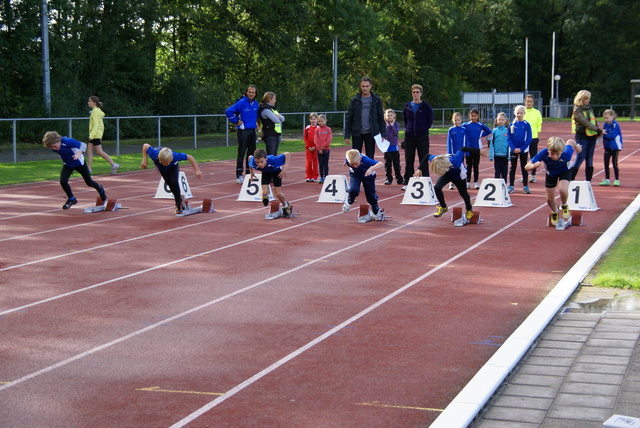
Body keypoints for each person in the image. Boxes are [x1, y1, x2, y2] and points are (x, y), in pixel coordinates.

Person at [414, 146, 488, 220]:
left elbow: (463, 149)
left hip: (458, 175)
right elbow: (427, 155)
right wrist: (419, 169)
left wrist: (478, 151)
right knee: (437, 187)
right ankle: (443, 207)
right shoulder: (436, 159)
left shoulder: (456, 161)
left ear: (444, 166)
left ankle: (469, 209)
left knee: (463, 193)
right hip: (448, 174)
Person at [42, 131, 107, 210]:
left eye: (54, 146)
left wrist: (79, 153)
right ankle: (71, 199)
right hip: (68, 164)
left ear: (58, 141)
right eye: (51, 147)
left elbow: (83, 145)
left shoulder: (67, 141)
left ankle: (100, 189)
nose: (53, 149)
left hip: (79, 163)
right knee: (63, 181)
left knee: (89, 182)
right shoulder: (55, 147)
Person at [525, 136, 582, 226]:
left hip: (564, 171)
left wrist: (578, 148)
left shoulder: (566, 153)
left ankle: (564, 205)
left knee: (562, 190)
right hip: (551, 173)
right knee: (549, 199)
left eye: (557, 154)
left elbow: (570, 141)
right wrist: (533, 166)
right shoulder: (543, 153)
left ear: (562, 151)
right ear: (548, 150)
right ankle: (555, 211)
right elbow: (526, 167)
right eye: (552, 154)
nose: (555, 156)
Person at [140, 143, 202, 214]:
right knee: (170, 186)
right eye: (163, 163)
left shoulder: (175, 156)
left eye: (167, 163)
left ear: (171, 159)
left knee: (174, 182)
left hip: (173, 167)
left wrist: (197, 170)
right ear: (159, 160)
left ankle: (178, 205)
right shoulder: (154, 154)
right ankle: (180, 198)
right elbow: (145, 146)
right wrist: (145, 160)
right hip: (163, 170)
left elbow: (190, 157)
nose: (165, 164)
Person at [344, 76, 386, 159]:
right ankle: (356, 172)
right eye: (363, 86)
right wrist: (347, 135)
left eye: (367, 86)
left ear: (370, 86)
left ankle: (370, 172)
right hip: (357, 132)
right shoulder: (354, 100)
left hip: (371, 132)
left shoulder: (376, 100)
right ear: (360, 86)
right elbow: (349, 118)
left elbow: (380, 117)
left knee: (370, 156)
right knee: (355, 156)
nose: (365, 88)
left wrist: (383, 133)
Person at [225, 85, 259, 183]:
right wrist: (237, 122)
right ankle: (239, 175)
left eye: (253, 92)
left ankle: (249, 173)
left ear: (255, 94)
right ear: (246, 92)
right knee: (242, 152)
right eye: (249, 92)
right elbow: (228, 111)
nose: (251, 94)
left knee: (252, 153)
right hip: (243, 131)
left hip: (252, 130)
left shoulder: (256, 103)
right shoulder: (241, 102)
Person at [402, 84, 433, 184]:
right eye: (414, 92)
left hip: (422, 136)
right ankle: (408, 181)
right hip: (409, 136)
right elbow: (405, 120)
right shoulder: (407, 106)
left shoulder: (426, 107)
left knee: (423, 159)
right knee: (409, 160)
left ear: (421, 93)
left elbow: (429, 121)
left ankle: (425, 180)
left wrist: (423, 129)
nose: (415, 94)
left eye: (417, 92)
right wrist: (409, 129)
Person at [342, 149, 385, 221]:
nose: (355, 166)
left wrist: (371, 169)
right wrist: (345, 163)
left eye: (356, 163)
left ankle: (376, 210)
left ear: (360, 159)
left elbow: (381, 164)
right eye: (352, 164)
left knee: (371, 197)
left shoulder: (365, 160)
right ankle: (349, 201)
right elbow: (347, 160)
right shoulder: (349, 159)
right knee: (353, 190)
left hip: (368, 175)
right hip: (355, 175)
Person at [248, 148, 292, 217]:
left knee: (277, 193)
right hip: (266, 172)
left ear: (266, 159)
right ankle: (265, 195)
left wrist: (284, 169)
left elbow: (287, 154)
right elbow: (249, 157)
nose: (259, 164)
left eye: (262, 162)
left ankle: (285, 205)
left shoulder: (274, 160)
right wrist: (251, 172)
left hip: (276, 171)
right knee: (264, 192)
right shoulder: (253, 161)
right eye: (257, 162)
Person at [570, 89, 602, 181]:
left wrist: (597, 132)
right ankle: (571, 177)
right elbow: (585, 122)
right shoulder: (577, 110)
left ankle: (588, 179)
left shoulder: (589, 108)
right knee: (580, 157)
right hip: (582, 136)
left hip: (591, 136)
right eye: (587, 99)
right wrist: (597, 130)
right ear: (582, 99)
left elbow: (593, 121)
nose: (589, 100)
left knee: (590, 157)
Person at [87, 96, 119, 174]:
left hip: (95, 135)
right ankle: (88, 168)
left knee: (99, 151)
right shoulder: (96, 111)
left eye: (89, 101)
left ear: (94, 103)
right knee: (89, 151)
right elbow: (101, 125)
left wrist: (92, 135)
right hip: (96, 134)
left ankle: (114, 164)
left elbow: (96, 125)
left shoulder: (95, 112)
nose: (88, 102)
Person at [462, 108, 491, 189]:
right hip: (468, 148)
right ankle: (467, 182)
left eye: (475, 116)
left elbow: (488, 131)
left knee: (476, 166)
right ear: (469, 116)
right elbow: (460, 129)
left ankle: (476, 182)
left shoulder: (480, 125)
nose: (473, 117)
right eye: (471, 116)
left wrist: (481, 134)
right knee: (468, 166)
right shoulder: (466, 125)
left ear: (478, 116)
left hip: (477, 149)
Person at [508, 105, 532, 194]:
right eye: (517, 113)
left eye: (521, 113)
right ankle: (511, 186)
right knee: (512, 167)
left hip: (523, 150)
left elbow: (529, 138)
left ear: (524, 113)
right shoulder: (511, 125)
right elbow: (508, 138)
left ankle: (525, 186)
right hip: (513, 150)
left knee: (524, 167)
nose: (519, 115)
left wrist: (521, 148)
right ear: (515, 113)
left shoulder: (526, 125)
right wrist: (513, 148)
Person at [600, 109, 623, 186]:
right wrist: (604, 135)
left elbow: (612, 135)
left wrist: (605, 135)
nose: (606, 120)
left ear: (612, 116)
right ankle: (607, 179)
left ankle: (617, 179)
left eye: (607, 118)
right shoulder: (605, 125)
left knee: (614, 163)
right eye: (605, 118)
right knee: (606, 163)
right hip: (607, 146)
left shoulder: (615, 125)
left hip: (615, 147)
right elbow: (604, 132)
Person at [524, 94, 543, 183]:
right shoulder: (522, 111)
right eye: (527, 101)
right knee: (523, 157)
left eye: (531, 101)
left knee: (534, 156)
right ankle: (524, 176)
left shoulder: (537, 112)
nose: (529, 103)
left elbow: (539, 124)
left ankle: (533, 175)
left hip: (533, 137)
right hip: (523, 138)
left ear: (533, 103)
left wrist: (537, 135)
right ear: (525, 101)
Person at [446, 112, 467, 190]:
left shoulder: (464, 130)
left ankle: (460, 181)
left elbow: (465, 141)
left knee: (460, 166)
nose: (457, 121)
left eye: (458, 120)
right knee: (451, 167)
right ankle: (451, 183)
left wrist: (465, 152)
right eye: (455, 120)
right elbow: (449, 142)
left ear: (461, 120)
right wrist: (450, 153)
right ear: (452, 120)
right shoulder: (451, 130)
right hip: (453, 152)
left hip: (460, 153)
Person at [383, 109, 402, 185]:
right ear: (385, 117)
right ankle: (389, 178)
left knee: (396, 163)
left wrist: (392, 125)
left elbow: (395, 132)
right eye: (388, 115)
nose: (389, 117)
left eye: (391, 115)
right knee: (387, 164)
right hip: (386, 147)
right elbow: (385, 134)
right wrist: (388, 126)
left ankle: (399, 178)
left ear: (394, 116)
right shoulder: (384, 125)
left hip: (394, 147)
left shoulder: (396, 124)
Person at [490, 112, 510, 181]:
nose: (500, 121)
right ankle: (497, 185)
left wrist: (509, 155)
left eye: (502, 120)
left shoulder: (507, 130)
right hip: (497, 154)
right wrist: (491, 155)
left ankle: (504, 185)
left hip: (505, 155)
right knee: (497, 171)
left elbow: (509, 143)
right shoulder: (494, 131)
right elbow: (491, 143)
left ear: (505, 121)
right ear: (497, 120)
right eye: (499, 120)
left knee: (504, 171)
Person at [315, 114, 332, 184]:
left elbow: (329, 139)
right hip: (319, 150)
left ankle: (326, 176)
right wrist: (319, 148)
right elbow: (316, 140)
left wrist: (324, 145)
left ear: (325, 121)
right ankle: (321, 177)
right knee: (320, 164)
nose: (321, 123)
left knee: (325, 163)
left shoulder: (328, 129)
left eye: (322, 121)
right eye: (319, 121)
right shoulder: (317, 130)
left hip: (326, 149)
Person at [303, 113, 319, 182]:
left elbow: (319, 138)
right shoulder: (307, 128)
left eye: (314, 119)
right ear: (309, 120)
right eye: (311, 119)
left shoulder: (318, 128)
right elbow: (305, 137)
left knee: (315, 162)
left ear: (317, 120)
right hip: (308, 148)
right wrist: (308, 146)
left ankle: (314, 176)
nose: (313, 121)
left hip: (316, 148)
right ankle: (308, 176)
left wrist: (315, 146)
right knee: (308, 162)